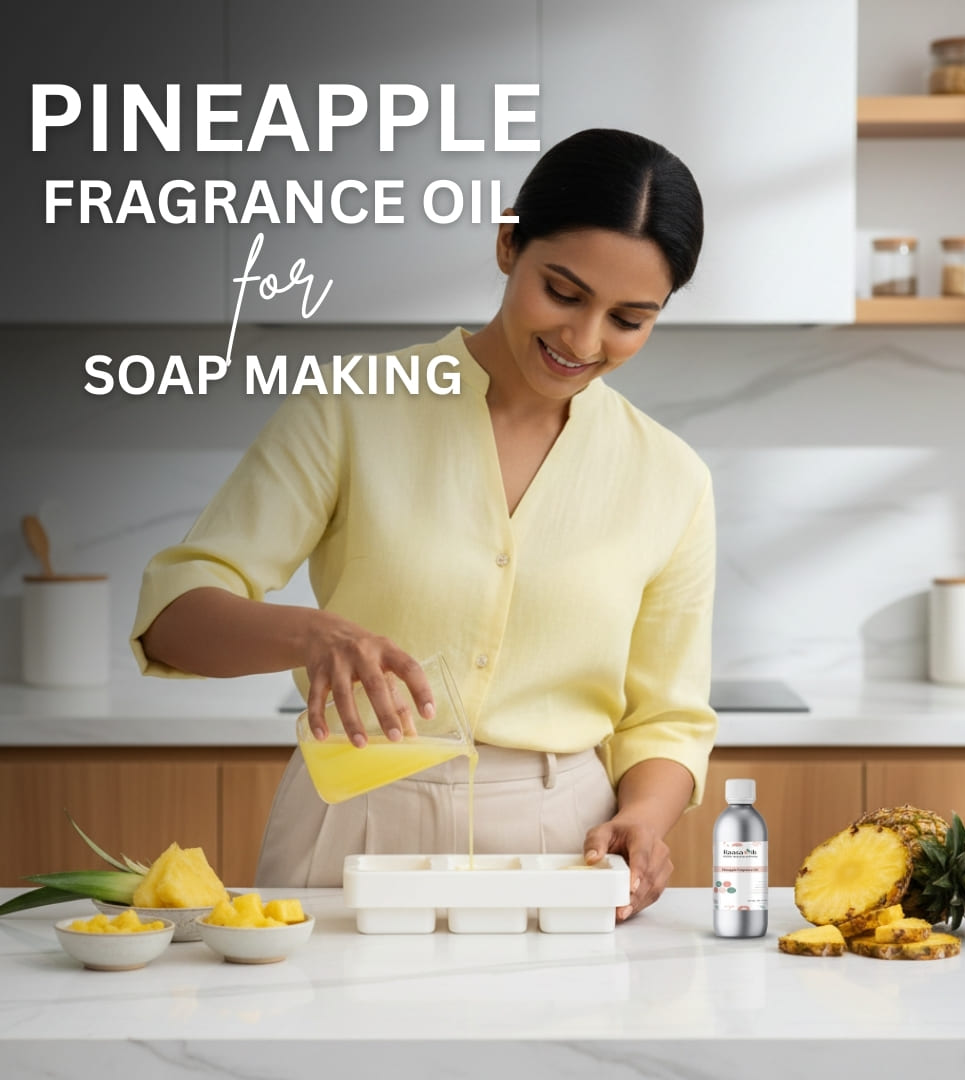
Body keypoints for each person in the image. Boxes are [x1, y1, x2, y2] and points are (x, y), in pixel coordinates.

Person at [131, 128, 717, 922]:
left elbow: (667, 719)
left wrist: (644, 819)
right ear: (508, 243)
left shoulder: (671, 477)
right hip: (351, 819)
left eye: (629, 319)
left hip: (560, 845)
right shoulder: (351, 407)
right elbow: (172, 618)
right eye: (563, 293)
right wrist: (311, 636)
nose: (584, 340)